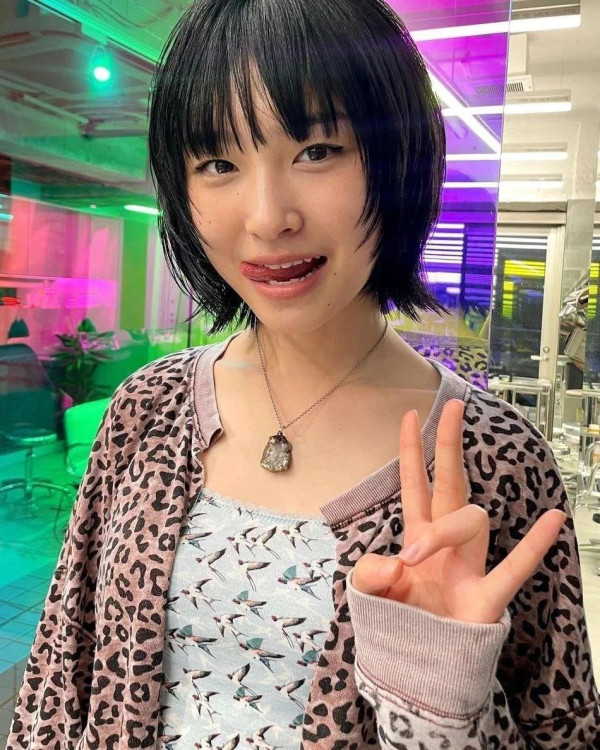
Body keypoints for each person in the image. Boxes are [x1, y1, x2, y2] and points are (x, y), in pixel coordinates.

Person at [7, 0, 599, 748]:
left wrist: (442, 707)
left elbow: (563, 731)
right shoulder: (147, 409)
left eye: (317, 150)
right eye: (218, 163)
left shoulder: (494, 459)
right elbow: (57, 684)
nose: (267, 217)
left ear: (399, 159)